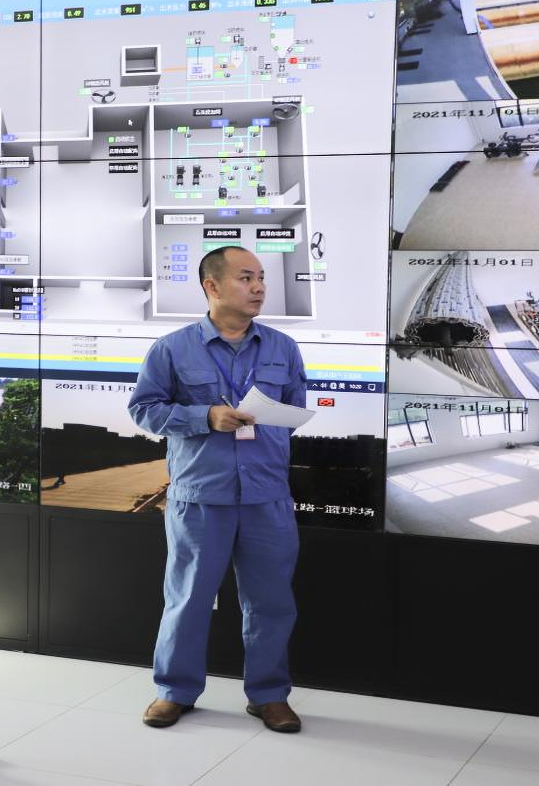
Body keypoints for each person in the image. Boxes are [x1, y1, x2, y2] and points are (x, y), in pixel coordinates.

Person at [127, 245, 307, 733]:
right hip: (201, 496)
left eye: (261, 277)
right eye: (246, 278)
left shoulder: (283, 348)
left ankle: (269, 695)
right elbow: (143, 409)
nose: (259, 287)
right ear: (212, 286)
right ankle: (174, 691)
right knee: (188, 598)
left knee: (271, 602)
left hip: (266, 495)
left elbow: (294, 410)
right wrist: (204, 416)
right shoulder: (172, 348)